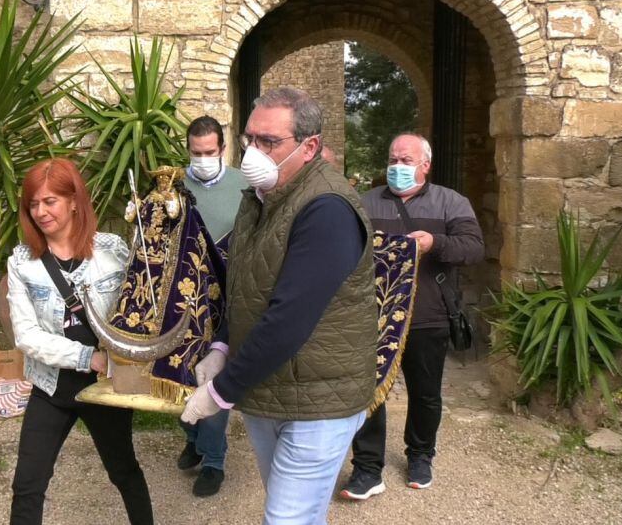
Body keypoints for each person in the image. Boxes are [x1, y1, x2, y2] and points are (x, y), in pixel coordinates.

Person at [180, 87, 378, 524]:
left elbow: (288, 319)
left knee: (285, 518)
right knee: (298, 515)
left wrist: (219, 392)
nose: (254, 152)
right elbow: (248, 285)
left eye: (269, 142)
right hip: (271, 389)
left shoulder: (327, 209)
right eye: (251, 139)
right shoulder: (259, 198)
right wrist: (221, 348)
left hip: (319, 397)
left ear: (309, 147)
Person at [4, 158, 153, 525]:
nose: (40, 212)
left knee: (123, 471)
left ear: (74, 201)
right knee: (28, 483)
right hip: (51, 385)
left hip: (104, 389)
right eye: (33, 204)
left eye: (50, 201)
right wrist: (89, 357)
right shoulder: (22, 262)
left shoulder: (112, 250)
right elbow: (26, 335)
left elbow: (142, 303)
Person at [340, 133, 484, 499]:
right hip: (373, 316)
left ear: (425, 165)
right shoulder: (364, 202)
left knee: (425, 393)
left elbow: (473, 249)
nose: (397, 167)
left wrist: (436, 244)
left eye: (405, 160)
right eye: (392, 160)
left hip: (428, 315)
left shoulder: (451, 202)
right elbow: (341, 247)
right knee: (369, 393)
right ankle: (368, 468)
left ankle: (420, 455)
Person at [177, 115, 249, 497]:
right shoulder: (172, 185)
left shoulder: (246, 185)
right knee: (178, 372)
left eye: (209, 152)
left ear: (222, 149)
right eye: (195, 153)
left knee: (214, 376)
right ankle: (191, 436)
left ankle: (214, 462)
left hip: (229, 298)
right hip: (182, 299)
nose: (202, 159)